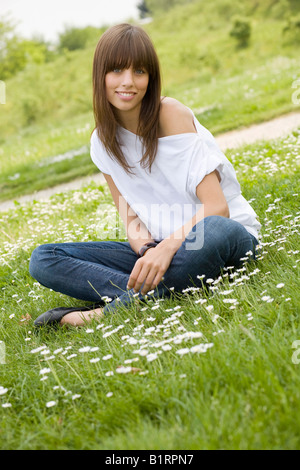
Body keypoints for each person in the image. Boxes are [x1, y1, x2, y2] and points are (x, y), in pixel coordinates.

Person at [29, 23, 261, 328]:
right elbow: (131, 220)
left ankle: (99, 313)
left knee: (215, 230)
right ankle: (154, 290)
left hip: (219, 237)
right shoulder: (101, 142)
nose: (128, 82)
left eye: (139, 71)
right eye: (116, 71)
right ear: (100, 76)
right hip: (161, 248)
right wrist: (150, 252)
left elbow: (217, 208)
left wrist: (167, 250)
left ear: (151, 78)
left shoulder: (171, 114)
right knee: (44, 259)